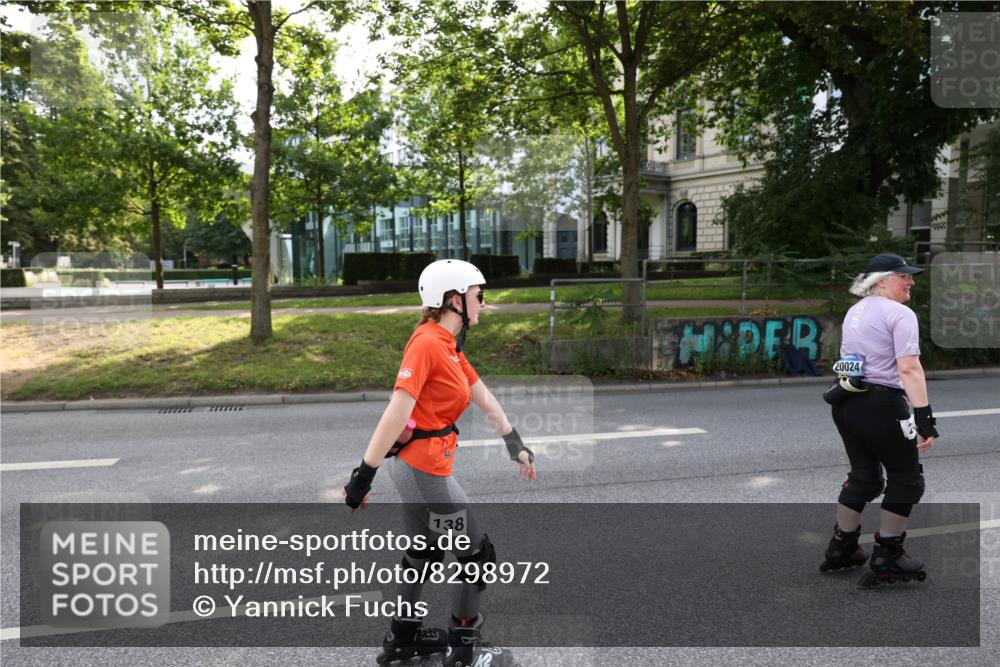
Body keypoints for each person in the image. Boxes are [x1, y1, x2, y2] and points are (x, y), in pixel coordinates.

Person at [342, 259, 537, 666]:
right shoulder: (427, 343)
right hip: (424, 473)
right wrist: (362, 476)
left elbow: (483, 397)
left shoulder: (449, 346)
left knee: (424, 552)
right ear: (455, 300)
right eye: (478, 295)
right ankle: (464, 651)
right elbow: (397, 409)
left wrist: (513, 443)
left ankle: (403, 637)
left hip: (417, 471)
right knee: (477, 556)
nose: (484, 302)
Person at [820, 253, 939, 587]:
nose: (911, 281)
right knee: (907, 480)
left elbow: (850, 361)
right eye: (904, 276)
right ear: (882, 281)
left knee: (864, 477)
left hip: (847, 402)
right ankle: (888, 555)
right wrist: (925, 418)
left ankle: (842, 547)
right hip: (883, 405)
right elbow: (909, 368)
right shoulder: (900, 314)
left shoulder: (855, 311)